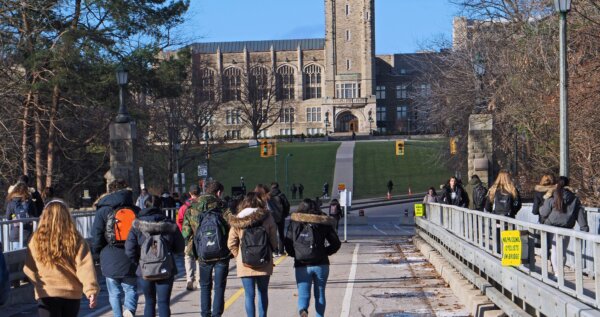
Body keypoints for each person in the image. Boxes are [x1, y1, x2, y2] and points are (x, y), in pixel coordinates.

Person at [24, 199, 99, 316]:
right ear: (67, 217)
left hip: (47, 292)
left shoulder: (36, 240)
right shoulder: (76, 239)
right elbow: (85, 267)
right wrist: (91, 290)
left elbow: (29, 268)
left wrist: (39, 283)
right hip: (71, 293)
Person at [125, 195, 184, 317]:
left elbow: (129, 249)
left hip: (145, 269)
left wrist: (139, 262)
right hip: (166, 267)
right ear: (161, 207)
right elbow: (180, 247)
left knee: (149, 302)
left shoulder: (136, 225)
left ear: (144, 205)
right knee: (163, 303)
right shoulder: (169, 224)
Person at [182, 181, 232, 317]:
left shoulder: (192, 208)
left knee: (205, 287)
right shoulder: (223, 207)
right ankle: (216, 314)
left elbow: (185, 232)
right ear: (219, 192)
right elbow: (232, 227)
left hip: (203, 253)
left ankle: (205, 314)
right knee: (219, 287)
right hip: (222, 253)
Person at [284, 199, 341, 317]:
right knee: (320, 294)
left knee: (303, 293)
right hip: (321, 263)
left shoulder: (295, 222)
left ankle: (303, 310)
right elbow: (336, 243)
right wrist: (325, 252)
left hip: (302, 264)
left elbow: (287, 242)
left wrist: (296, 254)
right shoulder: (322, 222)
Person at [91, 179, 139, 317]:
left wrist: (97, 253)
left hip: (109, 255)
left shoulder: (103, 210)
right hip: (131, 255)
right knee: (130, 288)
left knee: (114, 292)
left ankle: (118, 315)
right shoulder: (135, 210)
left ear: (109, 191)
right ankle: (129, 309)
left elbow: (96, 235)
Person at [227, 192, 278, 317]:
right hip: (264, 259)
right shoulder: (267, 217)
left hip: (245, 262)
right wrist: (271, 250)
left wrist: (238, 255)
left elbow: (231, 242)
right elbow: (274, 240)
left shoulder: (238, 219)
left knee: (249, 295)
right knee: (263, 292)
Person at [540, 176, 589, 274]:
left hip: (552, 226)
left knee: (554, 250)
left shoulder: (553, 195)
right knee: (562, 251)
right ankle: (560, 272)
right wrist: (584, 228)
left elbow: (544, 212)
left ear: (557, 184)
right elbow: (579, 213)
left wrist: (542, 206)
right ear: (568, 184)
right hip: (567, 227)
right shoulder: (574, 198)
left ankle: (557, 273)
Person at [176, 185, 201, 291]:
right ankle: (199, 281)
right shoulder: (202, 205)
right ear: (199, 193)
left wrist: (183, 232)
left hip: (188, 236)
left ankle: (189, 279)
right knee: (199, 258)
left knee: (188, 257)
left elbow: (179, 220)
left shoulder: (184, 207)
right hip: (200, 235)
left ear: (190, 193)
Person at [5, 183, 37, 250]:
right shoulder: (30, 201)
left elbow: (8, 217)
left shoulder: (11, 202)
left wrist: (14, 216)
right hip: (27, 234)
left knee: (16, 257)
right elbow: (35, 215)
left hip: (16, 234)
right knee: (26, 257)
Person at [270, 182, 290, 256]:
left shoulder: (269, 196)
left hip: (272, 217)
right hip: (281, 216)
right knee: (281, 234)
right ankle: (281, 251)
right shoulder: (281, 195)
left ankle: (275, 251)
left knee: (273, 234)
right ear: (278, 187)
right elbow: (287, 204)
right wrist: (286, 214)